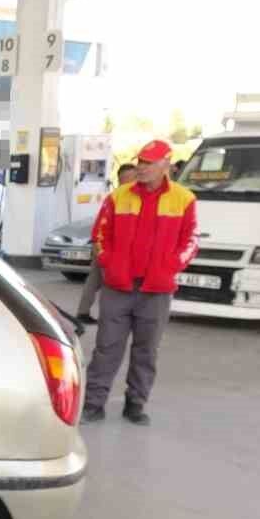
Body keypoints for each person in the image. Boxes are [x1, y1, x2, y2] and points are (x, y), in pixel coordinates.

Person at [81, 140, 198, 426]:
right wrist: (109, 263)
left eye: (149, 163)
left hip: (156, 290)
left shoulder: (184, 199)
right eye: (141, 162)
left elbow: (191, 241)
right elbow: (100, 234)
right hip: (118, 287)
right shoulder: (118, 196)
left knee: (146, 350)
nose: (142, 168)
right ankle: (94, 404)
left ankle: (135, 403)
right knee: (106, 347)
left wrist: (169, 267)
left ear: (165, 166)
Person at [77, 162, 138, 324]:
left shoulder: (126, 197)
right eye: (131, 178)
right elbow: (103, 226)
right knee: (108, 284)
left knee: (94, 280)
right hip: (109, 249)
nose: (135, 181)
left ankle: (83, 312)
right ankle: (108, 316)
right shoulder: (117, 198)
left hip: (107, 248)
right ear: (122, 179)